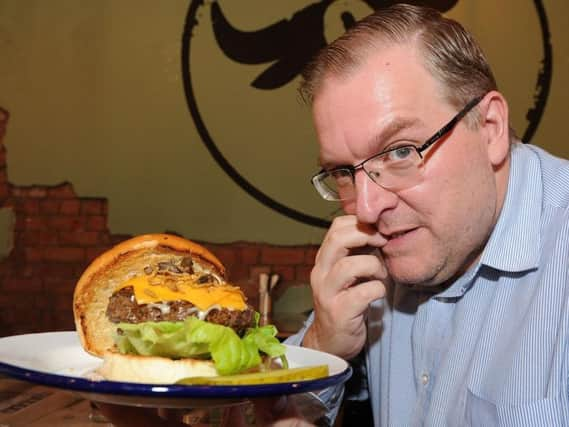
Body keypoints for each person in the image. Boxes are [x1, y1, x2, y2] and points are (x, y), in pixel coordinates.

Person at [282, 3, 569, 426]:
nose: (366, 207)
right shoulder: (376, 257)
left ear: (489, 128)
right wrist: (322, 344)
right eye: (343, 172)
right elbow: (277, 414)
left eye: (400, 152)